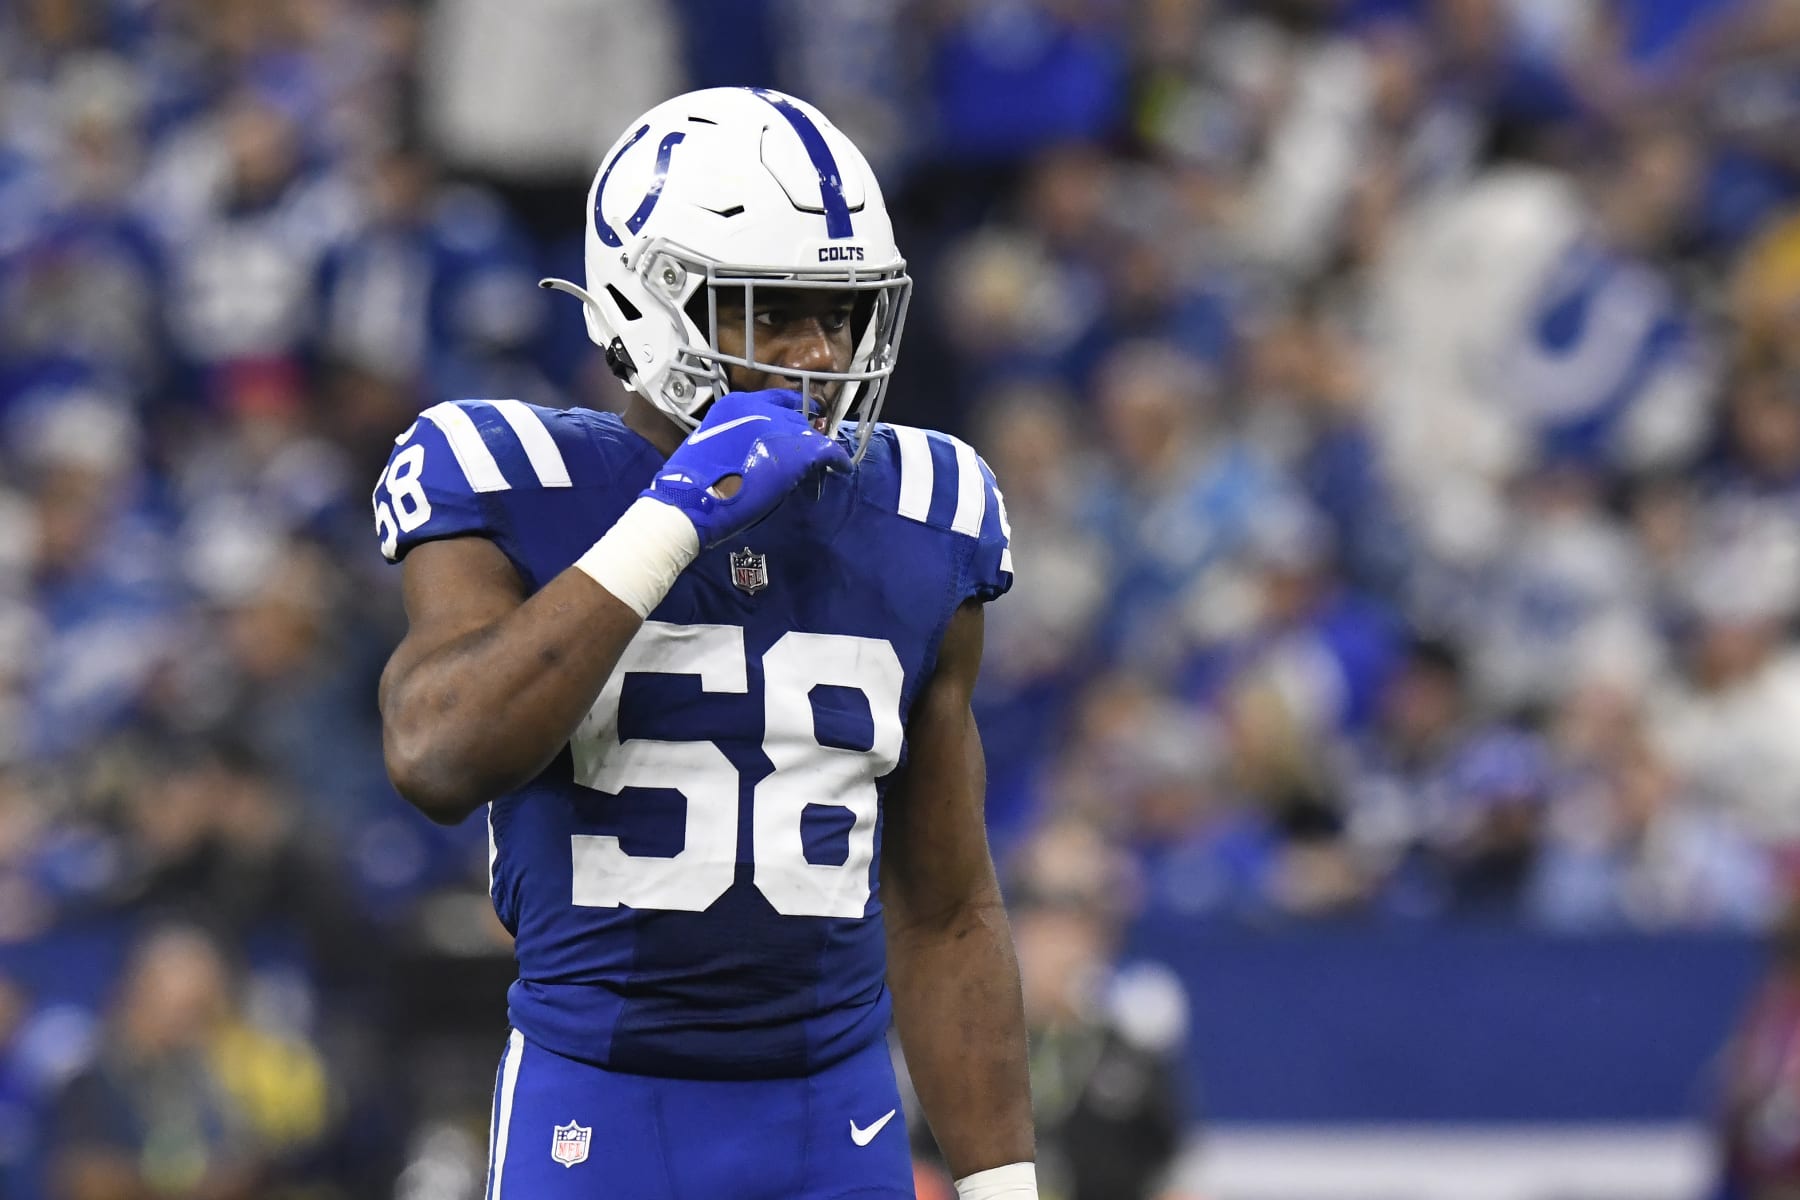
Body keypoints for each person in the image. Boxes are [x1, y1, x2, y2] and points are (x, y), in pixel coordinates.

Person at [373, 87, 1036, 1199]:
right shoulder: (516, 478)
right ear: (651, 305)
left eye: (840, 314)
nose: (818, 352)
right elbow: (438, 756)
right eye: (771, 311)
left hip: (837, 1120)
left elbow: (947, 904)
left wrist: (1003, 1189)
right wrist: (671, 520)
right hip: (600, 1107)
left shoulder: (926, 510)